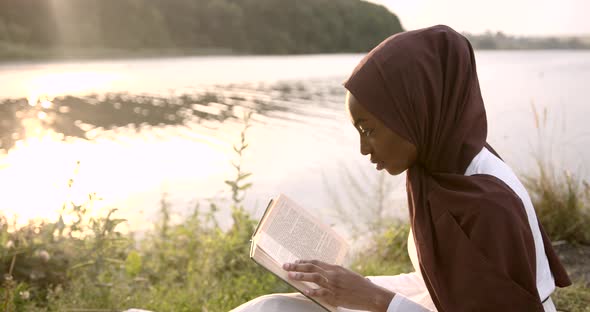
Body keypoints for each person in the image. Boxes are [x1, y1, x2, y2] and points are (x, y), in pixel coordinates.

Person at [230, 25, 571, 312]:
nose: (364, 148)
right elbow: (438, 284)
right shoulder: (441, 168)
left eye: (369, 130)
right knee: (274, 306)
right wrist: (350, 285)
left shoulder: (487, 203)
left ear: (415, 110)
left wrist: (373, 298)